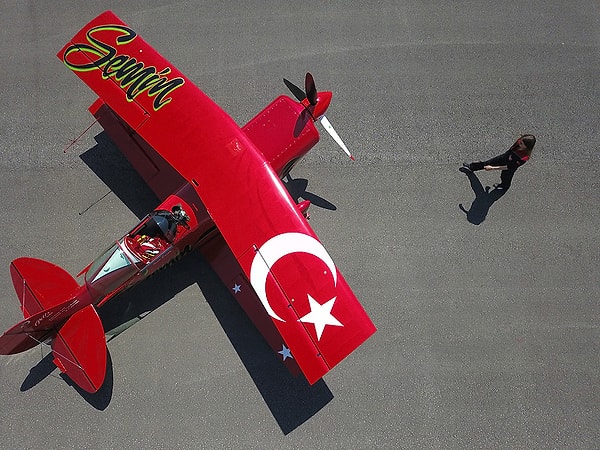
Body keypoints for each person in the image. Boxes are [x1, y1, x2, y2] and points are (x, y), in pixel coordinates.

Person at [459, 134, 536, 190]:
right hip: (504, 157)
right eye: (520, 141)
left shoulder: (524, 157)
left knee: (505, 177)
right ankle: (471, 167)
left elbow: (508, 167)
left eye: (522, 143)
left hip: (509, 167)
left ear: (527, 147)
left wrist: (492, 168)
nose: (519, 143)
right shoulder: (519, 142)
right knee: (487, 163)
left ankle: (504, 186)